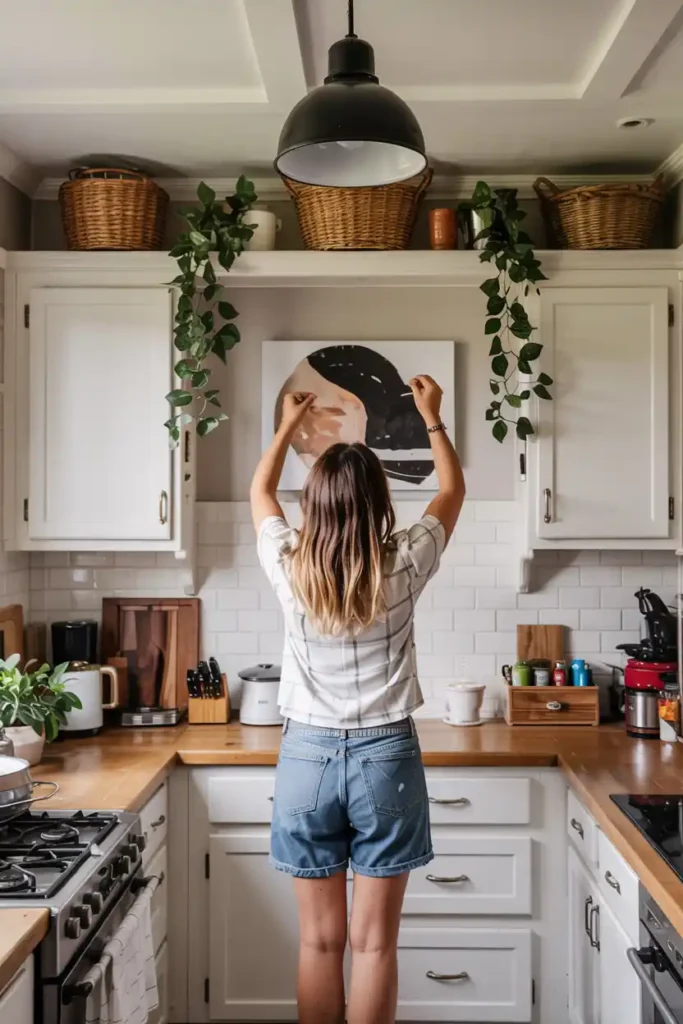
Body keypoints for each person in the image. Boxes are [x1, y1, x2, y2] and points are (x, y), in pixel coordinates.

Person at [250, 375, 466, 1024]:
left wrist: (287, 426)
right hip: (385, 756)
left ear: (313, 505)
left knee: (319, 941)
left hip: (306, 758)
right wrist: (431, 417)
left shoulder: (289, 562)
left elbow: (260, 492)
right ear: (378, 502)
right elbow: (451, 491)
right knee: (374, 945)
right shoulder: (403, 562)